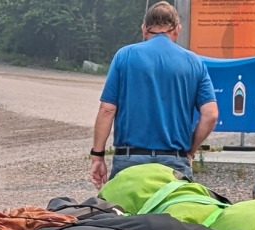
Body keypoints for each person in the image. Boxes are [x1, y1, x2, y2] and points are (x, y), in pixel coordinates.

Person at [90, 1, 220, 187]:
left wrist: (98, 156)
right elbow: (211, 114)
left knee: (124, 207)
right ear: (177, 30)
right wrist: (189, 152)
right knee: (172, 207)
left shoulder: (124, 56)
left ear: (144, 29)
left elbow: (107, 110)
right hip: (174, 164)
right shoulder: (194, 62)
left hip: (130, 162)